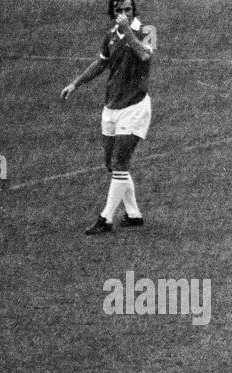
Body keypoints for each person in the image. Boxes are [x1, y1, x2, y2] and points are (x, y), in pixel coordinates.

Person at [60, 1, 157, 235]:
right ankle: (134, 214)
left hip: (134, 107)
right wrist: (75, 83)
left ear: (133, 11)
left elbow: (144, 55)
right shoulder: (110, 35)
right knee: (111, 165)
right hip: (111, 107)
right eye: (119, 10)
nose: (124, 14)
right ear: (112, 13)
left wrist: (126, 32)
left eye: (128, 9)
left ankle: (105, 218)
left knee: (120, 163)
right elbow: (101, 62)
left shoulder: (147, 31)